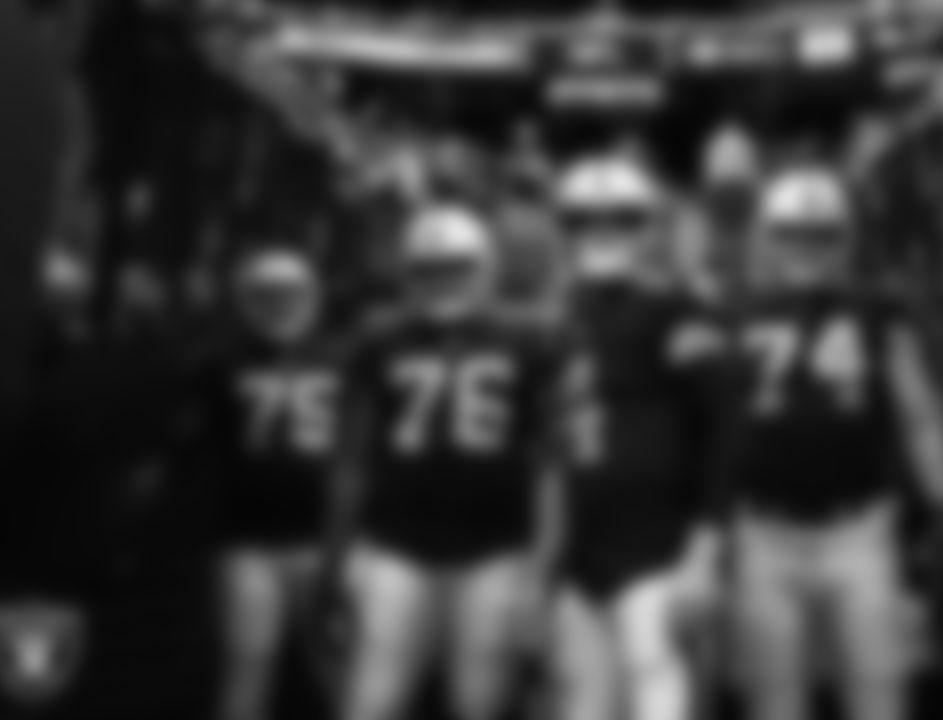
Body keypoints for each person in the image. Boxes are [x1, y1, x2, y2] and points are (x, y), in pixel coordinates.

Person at [722, 165, 943, 720]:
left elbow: (918, 414)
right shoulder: (732, 313)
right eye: (793, 232)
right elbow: (710, 425)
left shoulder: (878, 313)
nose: (807, 247)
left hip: (860, 528)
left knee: (880, 696)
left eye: (821, 234)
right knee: (774, 704)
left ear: (846, 239)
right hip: (763, 532)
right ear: (767, 236)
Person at [338, 204, 563, 720]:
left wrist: (541, 566)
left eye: (457, 267)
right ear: (407, 274)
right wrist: (345, 550)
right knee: (373, 697)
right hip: (397, 543)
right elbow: (353, 456)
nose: (443, 281)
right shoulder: (379, 339)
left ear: (485, 267)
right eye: (429, 270)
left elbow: (548, 465)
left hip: (494, 547)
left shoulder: (530, 339)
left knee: (476, 700)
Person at [549, 154, 725, 720]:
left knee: (658, 692)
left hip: (656, 548)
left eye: (620, 218)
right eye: (585, 219)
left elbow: (722, 430)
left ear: (647, 225)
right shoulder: (548, 319)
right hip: (572, 557)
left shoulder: (676, 310)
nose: (602, 231)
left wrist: (704, 552)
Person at [180, 248, 346, 720]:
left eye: (289, 293)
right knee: (249, 661)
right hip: (247, 536)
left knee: (338, 665)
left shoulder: (344, 359)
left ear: (311, 295)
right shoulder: (219, 364)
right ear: (246, 300)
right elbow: (197, 442)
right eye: (267, 295)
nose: (279, 304)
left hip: (326, 537)